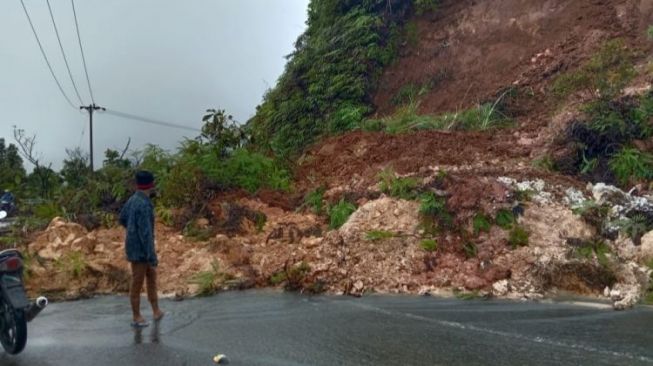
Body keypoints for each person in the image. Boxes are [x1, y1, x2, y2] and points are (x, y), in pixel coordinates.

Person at [119, 171, 164, 328]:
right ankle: (136, 316)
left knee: (151, 276)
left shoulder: (132, 200)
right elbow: (146, 234)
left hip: (133, 246)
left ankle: (156, 310)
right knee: (137, 282)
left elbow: (122, 218)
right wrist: (152, 255)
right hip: (140, 251)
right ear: (150, 185)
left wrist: (131, 229)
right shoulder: (144, 204)